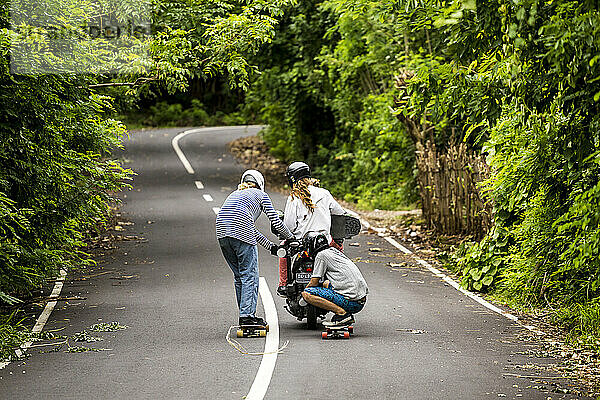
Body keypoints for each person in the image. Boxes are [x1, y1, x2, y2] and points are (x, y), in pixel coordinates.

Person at [216, 169, 294, 327]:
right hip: (240, 231)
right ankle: (247, 316)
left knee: (239, 276)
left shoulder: (234, 194)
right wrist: (291, 237)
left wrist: (271, 247)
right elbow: (276, 222)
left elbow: (249, 229)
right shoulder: (261, 195)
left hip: (222, 233)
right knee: (250, 275)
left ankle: (244, 314)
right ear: (261, 184)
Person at [278, 162, 346, 295]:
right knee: (339, 248)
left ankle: (283, 284)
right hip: (323, 242)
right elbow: (340, 213)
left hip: (300, 243)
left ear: (292, 179)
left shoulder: (294, 197)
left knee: (283, 251)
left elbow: (289, 225)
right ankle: (342, 280)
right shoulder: (324, 193)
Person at [301, 233, 368, 326]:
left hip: (352, 303)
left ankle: (342, 314)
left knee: (307, 293)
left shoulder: (321, 255)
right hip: (361, 300)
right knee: (326, 283)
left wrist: (303, 296)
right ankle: (343, 313)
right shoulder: (333, 251)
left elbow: (314, 282)